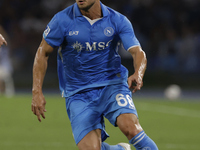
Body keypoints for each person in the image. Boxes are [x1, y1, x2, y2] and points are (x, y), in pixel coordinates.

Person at [31, 0, 159, 150]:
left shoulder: (117, 20)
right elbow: (42, 53)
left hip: (112, 85)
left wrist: (138, 73)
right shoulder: (62, 20)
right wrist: (36, 91)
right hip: (78, 92)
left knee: (131, 128)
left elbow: (138, 52)